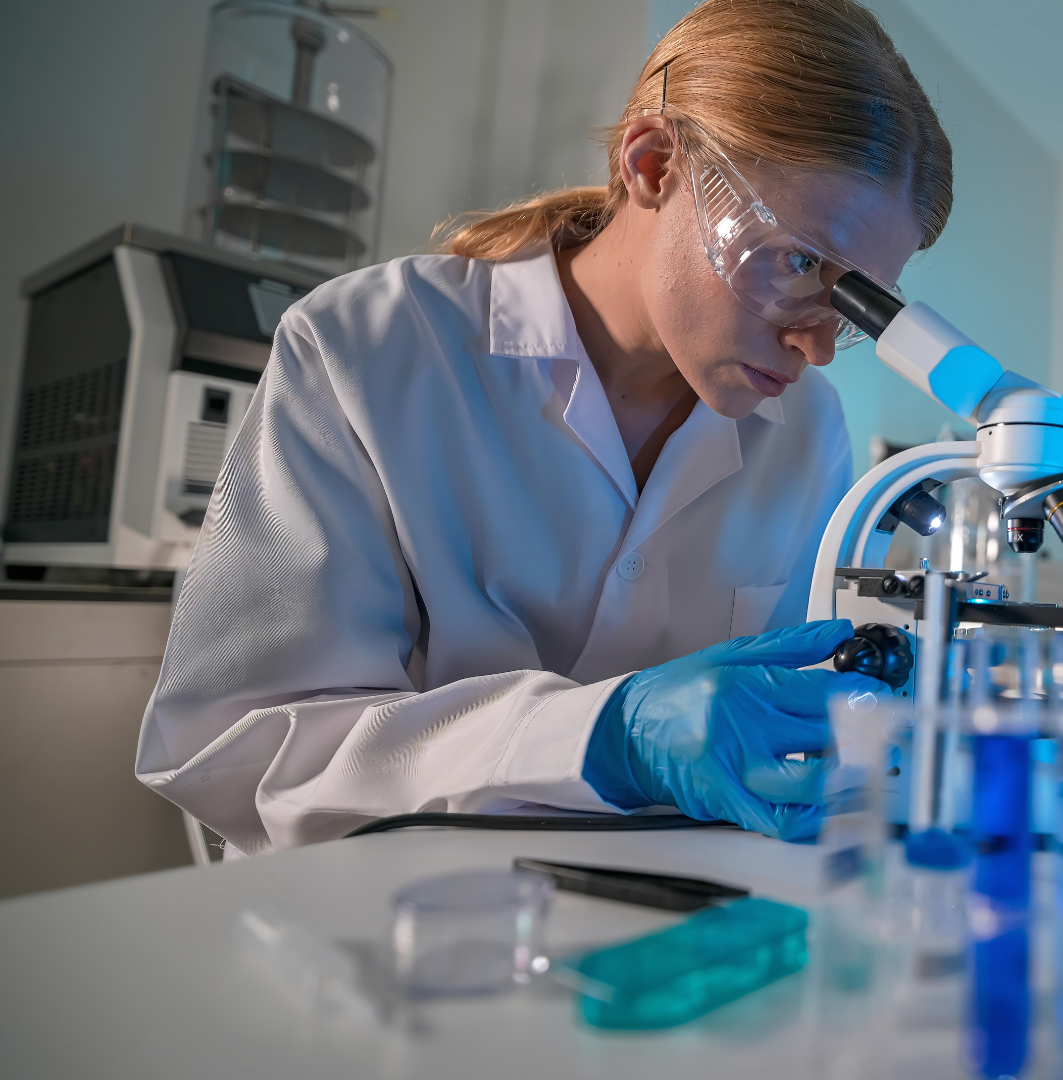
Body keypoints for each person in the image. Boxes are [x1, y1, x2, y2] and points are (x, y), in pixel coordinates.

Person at [135, 0, 952, 853]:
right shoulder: (367, 350)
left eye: (856, 302)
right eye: (799, 261)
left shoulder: (805, 427)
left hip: (658, 938)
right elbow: (234, 749)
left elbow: (770, 736)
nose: (816, 344)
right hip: (378, 925)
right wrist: (601, 735)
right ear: (653, 164)